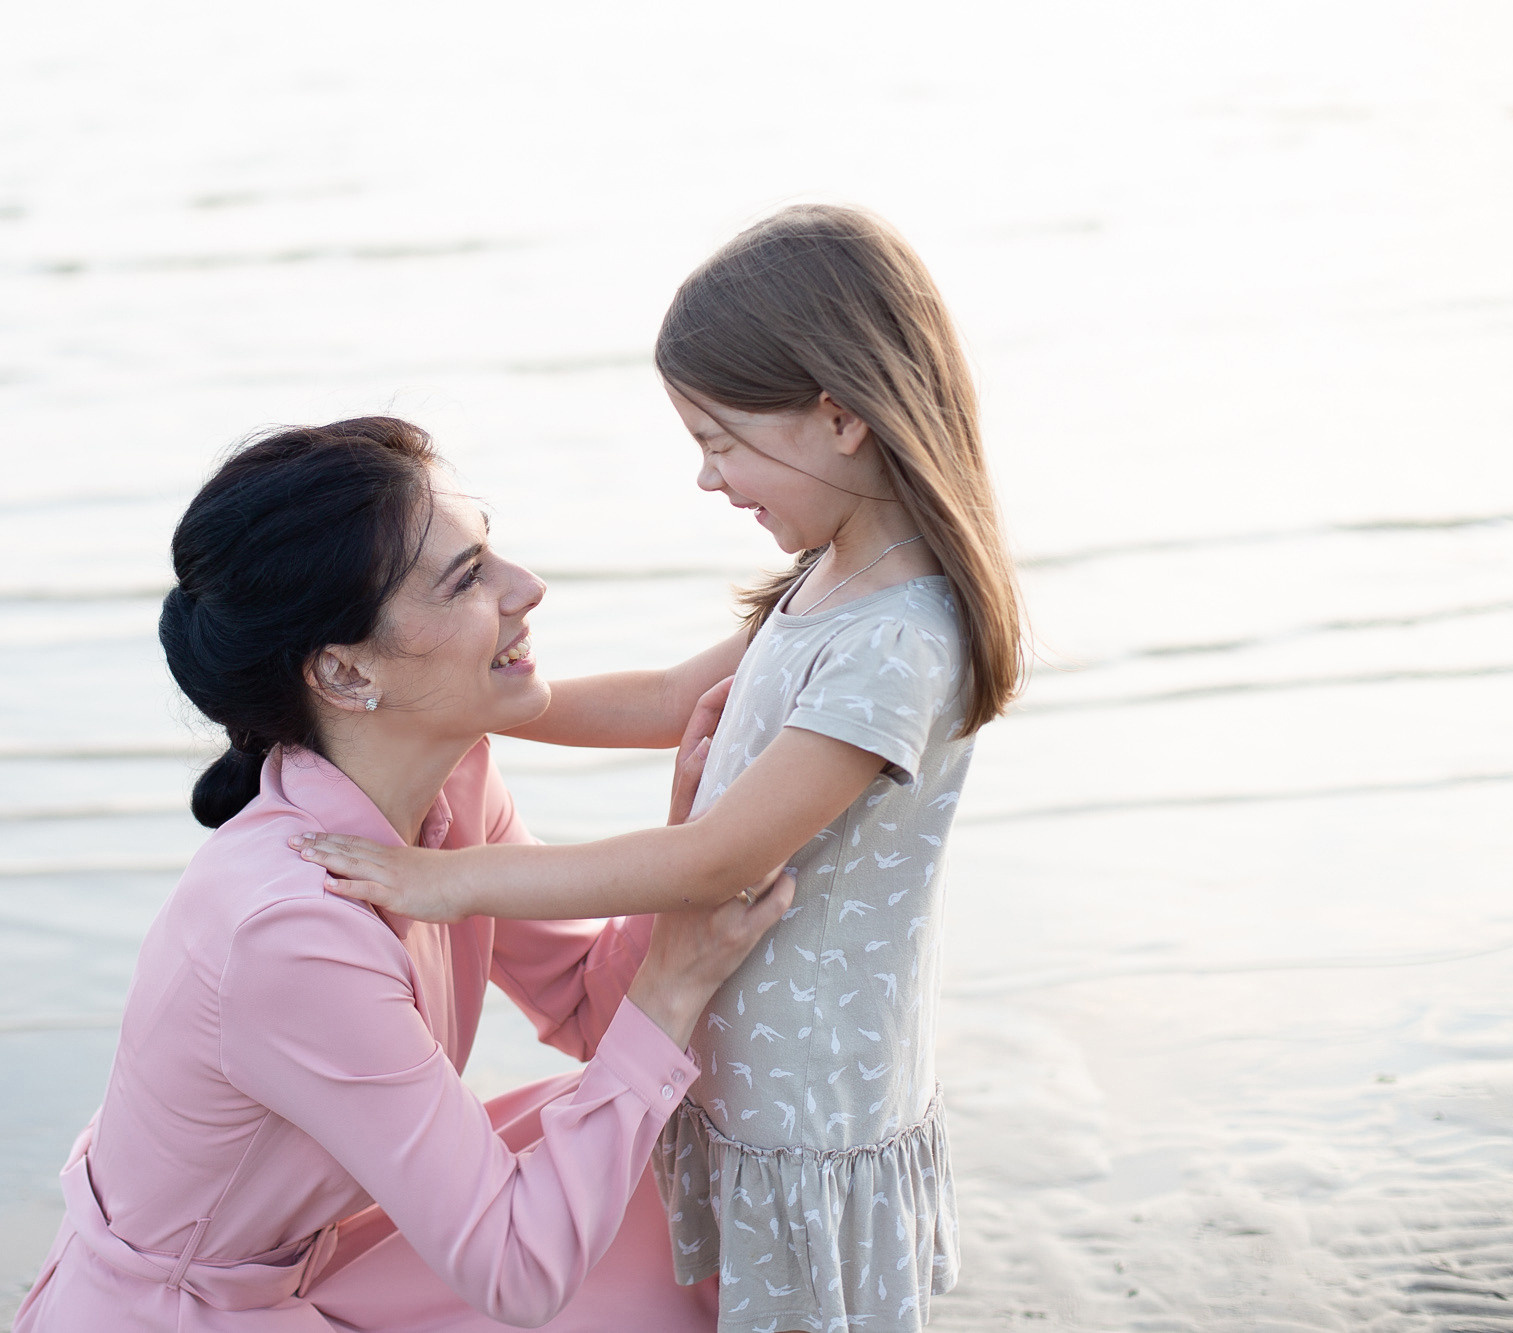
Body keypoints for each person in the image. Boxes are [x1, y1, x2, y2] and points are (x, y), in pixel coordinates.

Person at [294, 205, 1027, 1333]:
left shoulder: (900, 640)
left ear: (839, 417)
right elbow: (665, 702)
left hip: (804, 1109)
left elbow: (714, 859)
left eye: (721, 440)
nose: (704, 475)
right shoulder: (828, 581)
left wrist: (447, 882)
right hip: (740, 1081)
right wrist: (460, 698)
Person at [13, 416, 796, 1332]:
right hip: (179, 1317)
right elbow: (519, 1270)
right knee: (616, 1134)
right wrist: (674, 973)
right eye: (468, 579)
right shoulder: (288, 928)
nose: (528, 587)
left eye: (491, 552)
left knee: (659, 1144)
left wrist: (686, 852)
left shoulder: (451, 785)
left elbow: (588, 1005)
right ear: (344, 673)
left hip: (318, 1263)